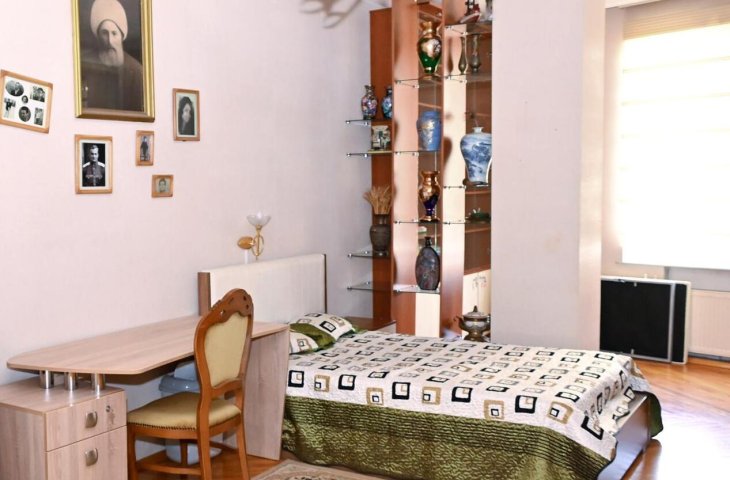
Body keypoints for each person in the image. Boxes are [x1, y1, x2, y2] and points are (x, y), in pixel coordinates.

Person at [80, 0, 143, 111]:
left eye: (114, 33)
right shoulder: (84, 64)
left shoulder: (136, 71)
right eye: (104, 33)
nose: (110, 41)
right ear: (98, 36)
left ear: (121, 36)